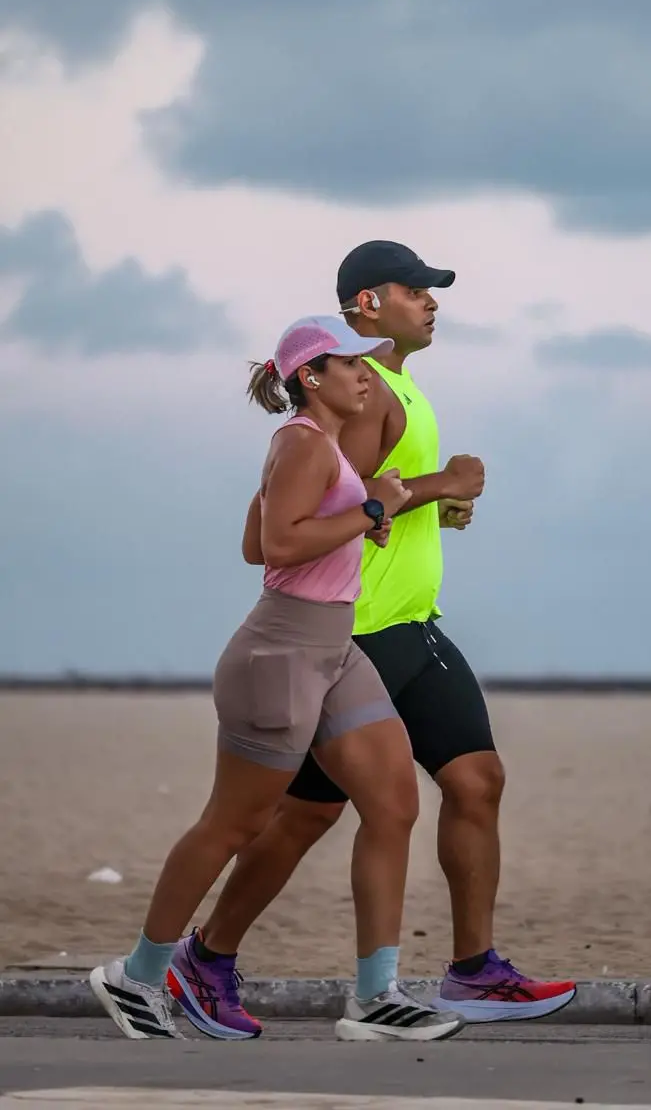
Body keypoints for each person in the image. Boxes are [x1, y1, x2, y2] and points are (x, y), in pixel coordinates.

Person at [168, 242, 577, 1039]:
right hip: (360, 634)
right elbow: (334, 511)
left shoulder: (396, 388)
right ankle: (204, 958)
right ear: (366, 303)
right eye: (415, 290)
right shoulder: (361, 395)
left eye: (432, 291)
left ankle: (472, 972)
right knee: (302, 818)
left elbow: (376, 504)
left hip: (413, 627)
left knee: (477, 781)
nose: (431, 302)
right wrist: (440, 486)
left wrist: (433, 506)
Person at [89, 314, 467, 1044]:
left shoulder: (321, 448)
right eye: (351, 365)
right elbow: (275, 546)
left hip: (334, 649)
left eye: (368, 366)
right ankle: (136, 975)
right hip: (282, 654)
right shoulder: (299, 442)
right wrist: (372, 508)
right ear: (311, 378)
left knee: (391, 804)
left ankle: (376, 997)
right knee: (233, 823)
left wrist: (364, 512)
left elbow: (255, 537)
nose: (366, 375)